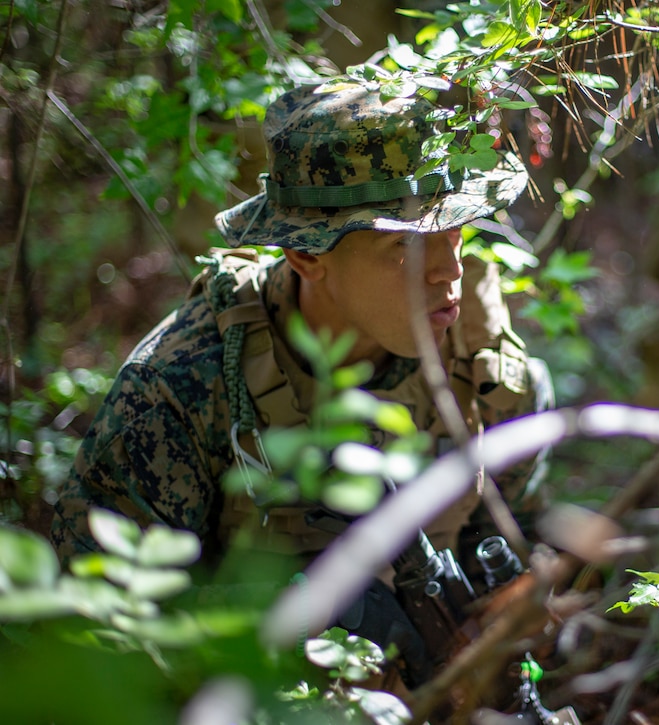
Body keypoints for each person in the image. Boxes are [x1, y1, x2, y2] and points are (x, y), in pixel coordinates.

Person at [50, 73, 550, 683]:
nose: (449, 271)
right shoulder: (179, 388)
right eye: (407, 247)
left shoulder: (489, 372)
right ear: (308, 255)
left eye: (457, 231)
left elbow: (513, 535)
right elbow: (98, 636)